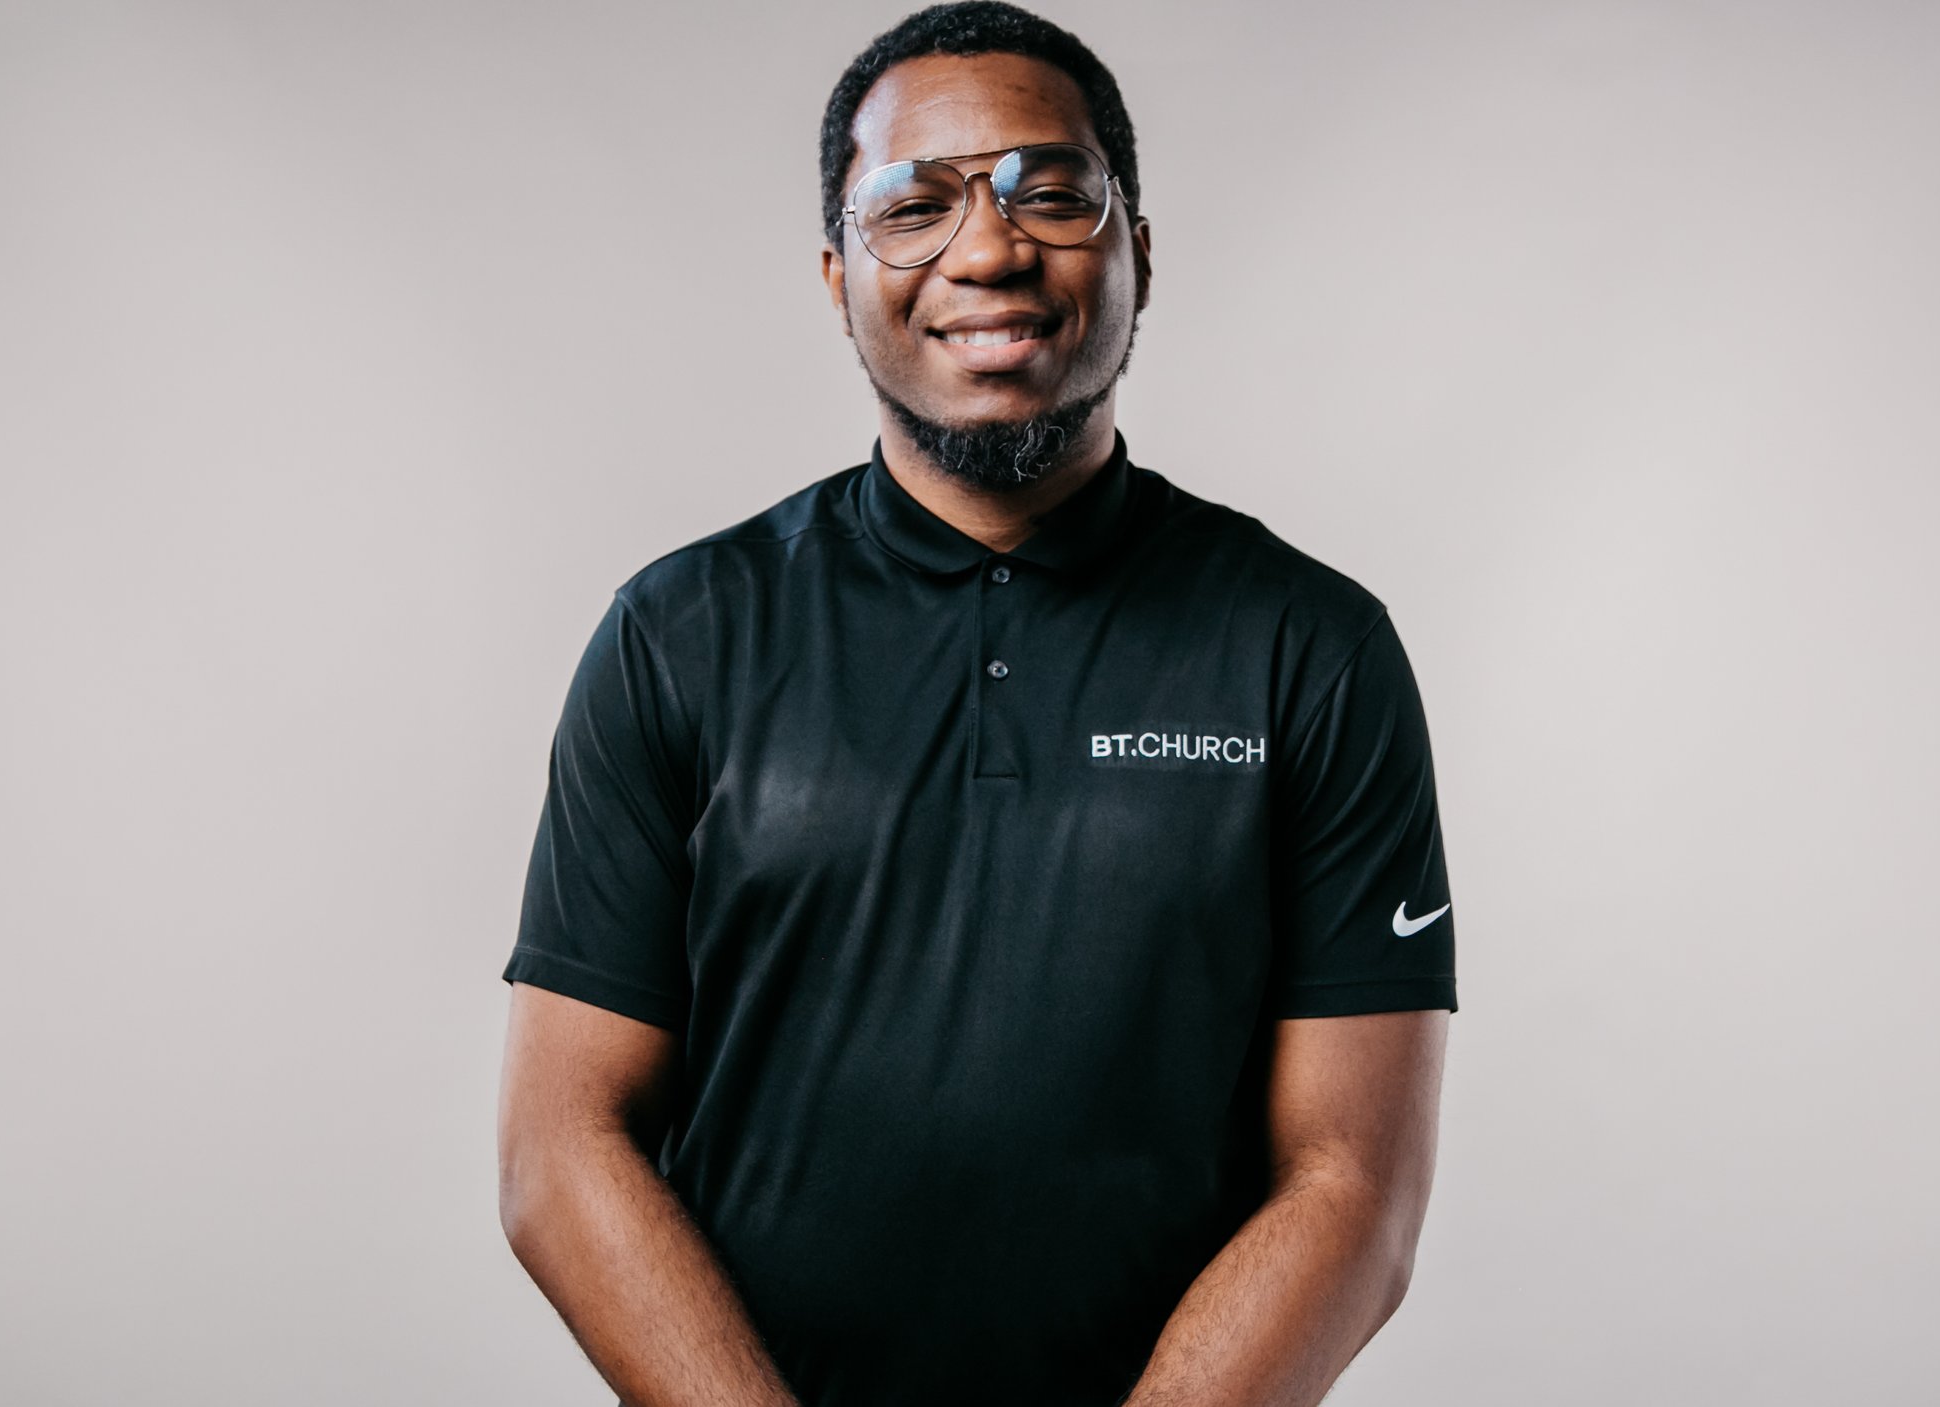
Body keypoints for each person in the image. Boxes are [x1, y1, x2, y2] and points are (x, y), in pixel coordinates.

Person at [494, 5, 1456, 1405]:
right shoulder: (677, 638)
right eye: (914, 206)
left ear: (1139, 252)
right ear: (839, 278)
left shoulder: (1311, 649)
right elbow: (560, 1149)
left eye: (1049, 193)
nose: (989, 249)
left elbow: (1352, 1184)